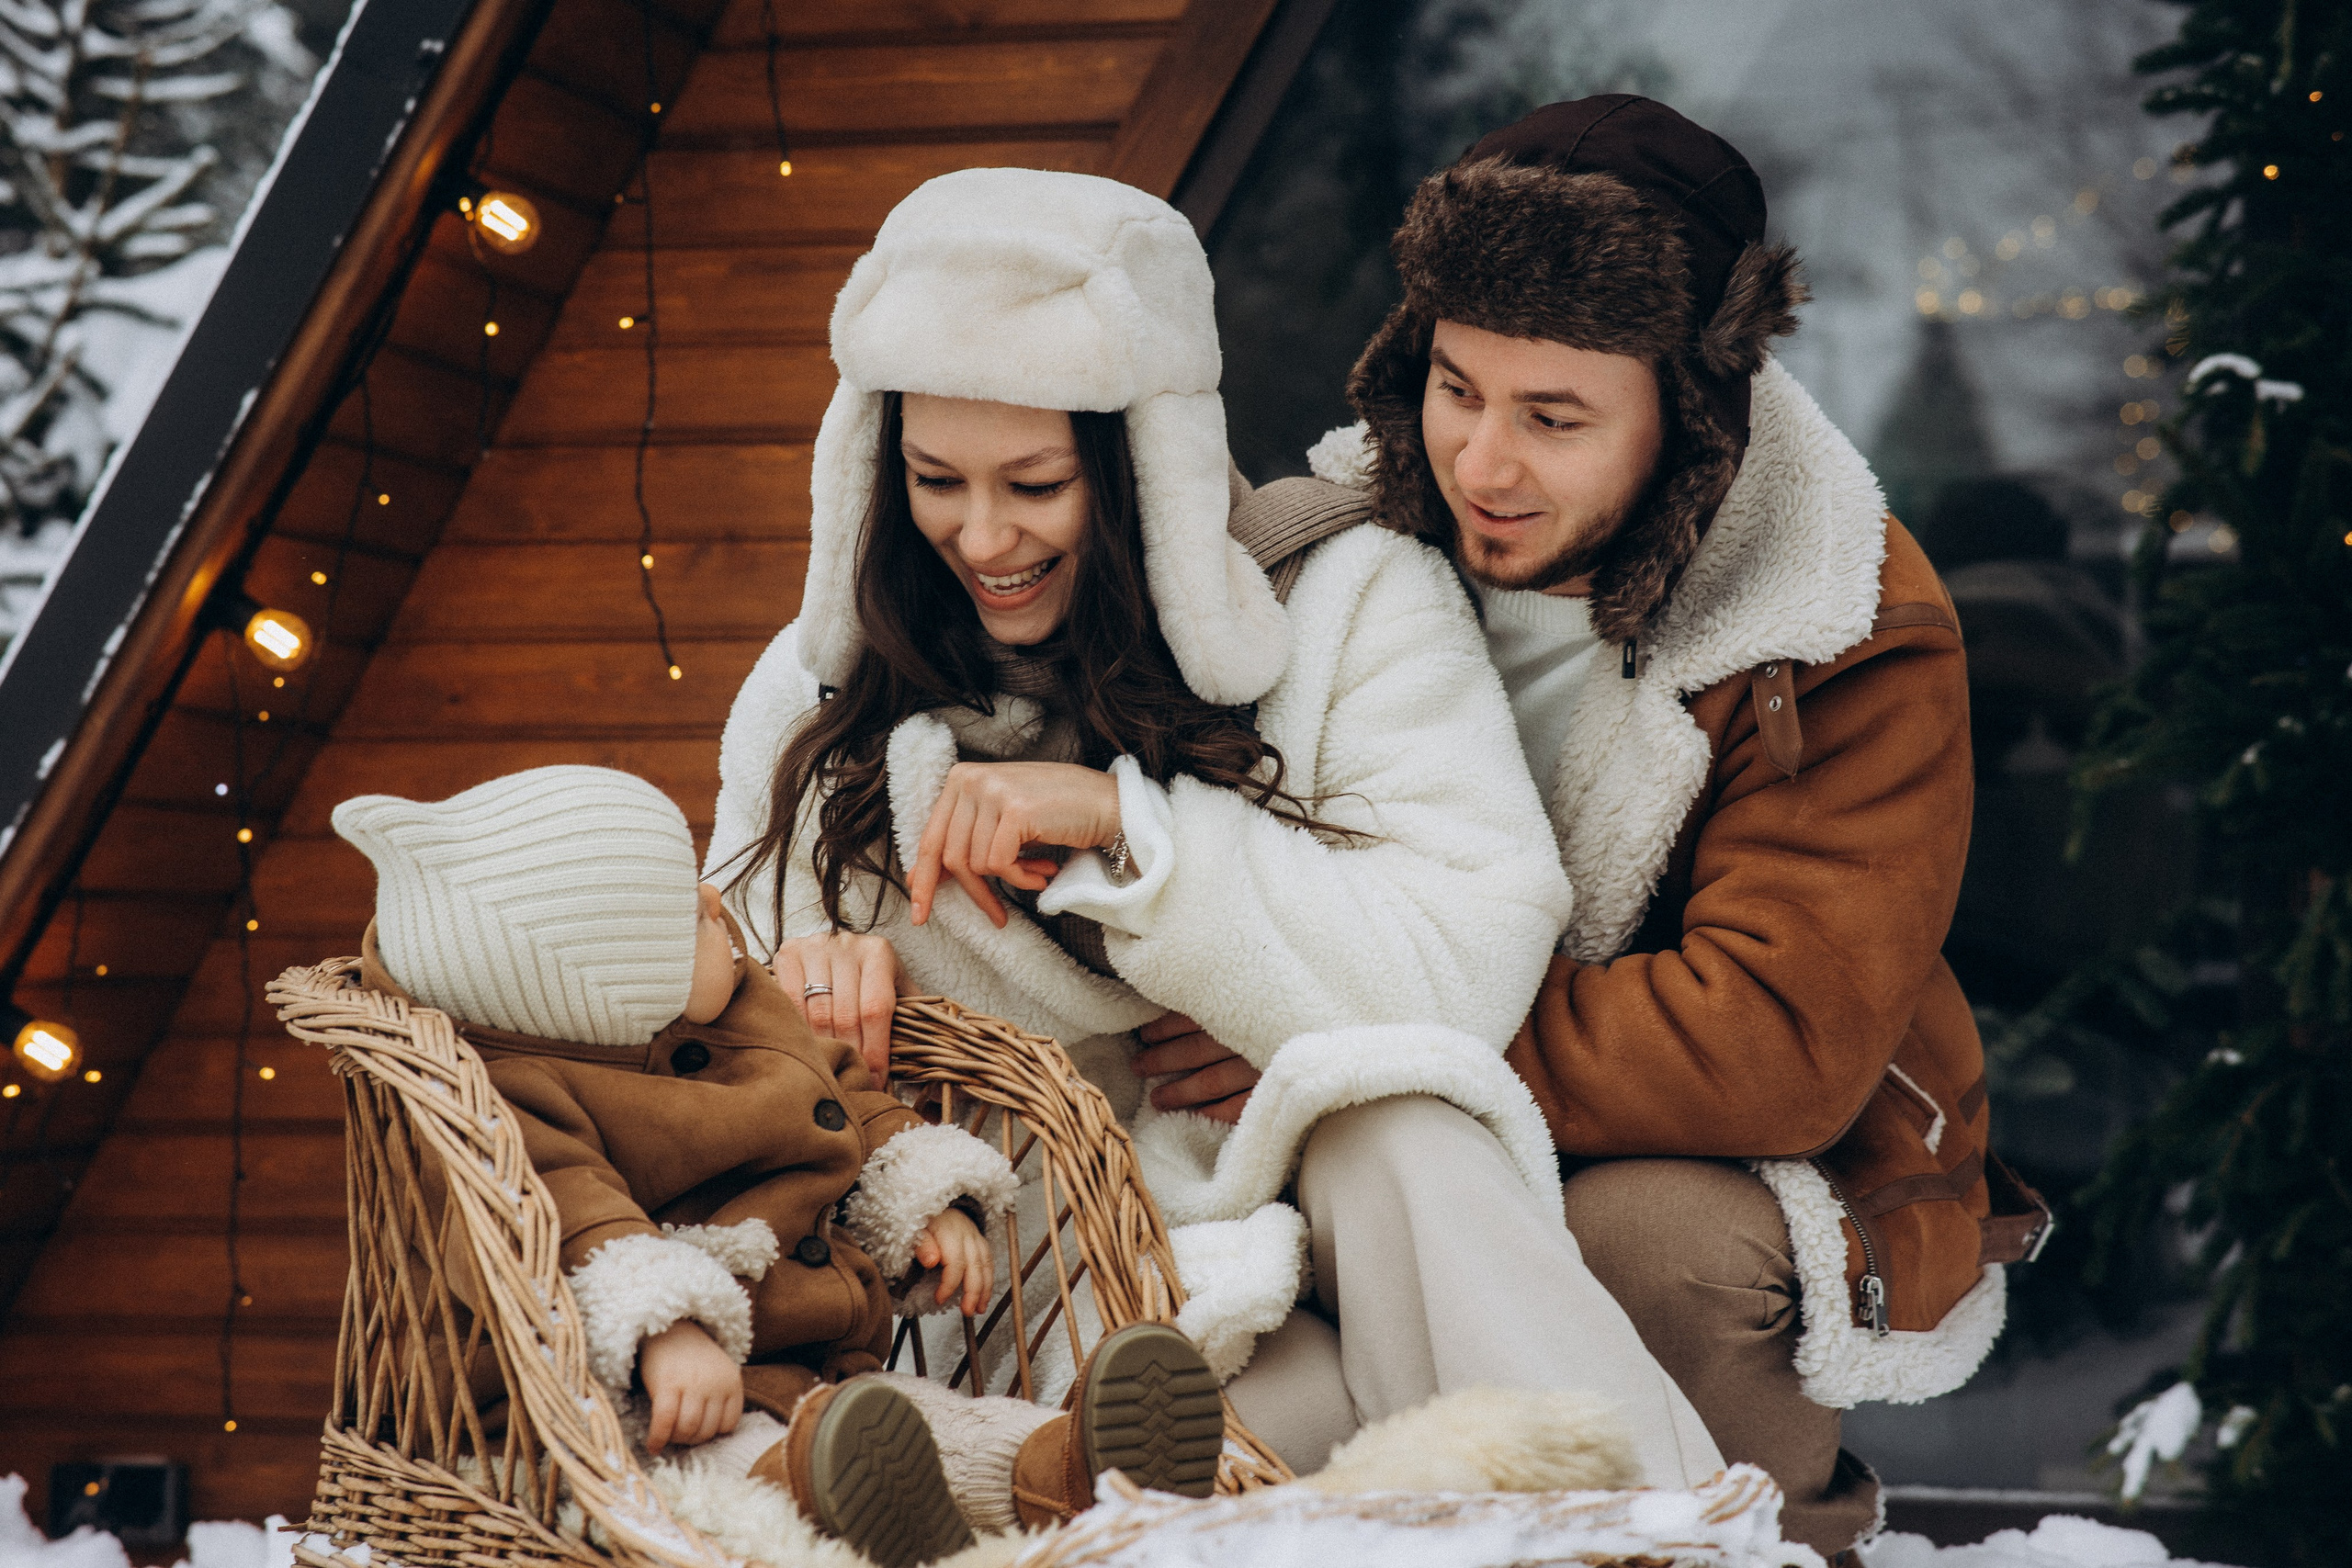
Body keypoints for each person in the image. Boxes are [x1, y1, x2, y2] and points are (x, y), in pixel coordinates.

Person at [706, 167, 1726, 1503]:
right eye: (934, 479)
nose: (984, 534)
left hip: (1339, 1216)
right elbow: (713, 986)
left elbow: (1469, 958)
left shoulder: (1347, 595)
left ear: (1140, 465)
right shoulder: (819, 699)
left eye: (1036, 483)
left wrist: (1140, 841)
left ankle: (1647, 1524)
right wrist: (803, 992)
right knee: (1260, 1424)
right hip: (1071, 1288)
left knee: (1402, 1119)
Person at [1170, 96, 2056, 1558]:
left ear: (1693, 413)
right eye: (1457, 390)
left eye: (1555, 417)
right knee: (1233, 1317)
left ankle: (1753, 1531)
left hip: (1703, 1168)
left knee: (1648, 1241)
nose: (1483, 464)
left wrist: (1335, 1009)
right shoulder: (1325, 550)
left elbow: (1770, 1034)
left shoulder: (1839, 622)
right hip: (1354, 1136)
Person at [334, 765, 1221, 1568]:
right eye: (682, 916)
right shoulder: (500, 1100)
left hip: (818, 1372)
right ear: (597, 1000)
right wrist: (663, 1326)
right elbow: (556, 1214)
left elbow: (843, 1093)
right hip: (619, 1411)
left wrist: (920, 1199)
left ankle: (1066, 1466)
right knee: (731, 1471)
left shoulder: (741, 1011)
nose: (716, 905)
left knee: (931, 1420)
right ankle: (845, 1506)